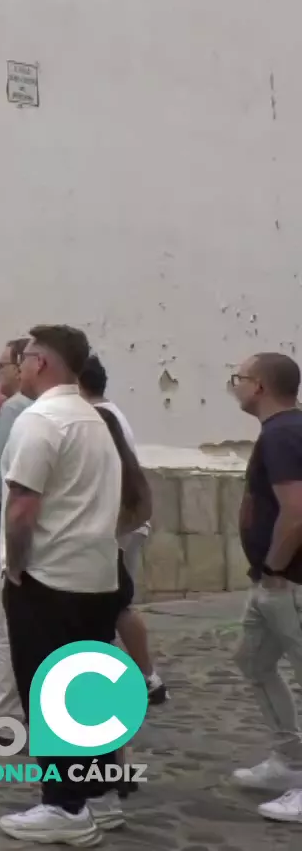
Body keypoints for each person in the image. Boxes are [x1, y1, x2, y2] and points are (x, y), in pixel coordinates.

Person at [0, 325, 127, 843]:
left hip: (49, 577)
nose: (18, 366)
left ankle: (65, 807)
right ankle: (102, 792)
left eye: (23, 357)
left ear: (41, 363)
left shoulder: (42, 420)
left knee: (49, 693)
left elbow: (23, 505)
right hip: (96, 574)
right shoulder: (95, 419)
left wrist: (13, 565)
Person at [227, 351, 302, 824]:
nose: (233, 385)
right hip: (271, 582)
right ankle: (289, 758)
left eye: (238, 378)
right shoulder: (281, 432)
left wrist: (275, 567)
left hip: (287, 582)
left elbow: (295, 511)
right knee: (251, 660)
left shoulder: (283, 434)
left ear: (258, 386)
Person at [80, 354, 168, 705]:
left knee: (113, 605)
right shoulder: (108, 413)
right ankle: (143, 678)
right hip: (116, 526)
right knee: (113, 605)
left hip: (114, 529)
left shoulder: (101, 417)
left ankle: (144, 678)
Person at [0, 338, 35, 737]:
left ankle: (3, 719)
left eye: (0, 367)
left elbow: (2, 477)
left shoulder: (15, 409)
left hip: (2, 534)